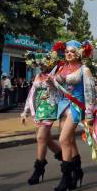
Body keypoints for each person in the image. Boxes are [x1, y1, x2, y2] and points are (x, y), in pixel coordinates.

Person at [49, 40, 96, 191]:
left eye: (72, 51)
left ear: (79, 53)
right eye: (67, 51)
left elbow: (90, 93)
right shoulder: (62, 68)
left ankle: (66, 177)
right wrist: (51, 82)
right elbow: (57, 88)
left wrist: (89, 115)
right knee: (69, 141)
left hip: (76, 107)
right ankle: (77, 170)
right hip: (63, 106)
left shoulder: (85, 70)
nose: (69, 53)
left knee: (63, 140)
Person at [20, 52, 62, 184]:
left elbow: (62, 90)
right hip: (39, 109)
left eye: (44, 63)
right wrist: (25, 111)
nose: (41, 65)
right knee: (46, 139)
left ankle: (39, 169)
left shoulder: (57, 74)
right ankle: (68, 160)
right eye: (40, 64)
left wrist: (53, 84)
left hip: (50, 107)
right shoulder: (38, 75)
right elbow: (32, 93)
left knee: (40, 138)